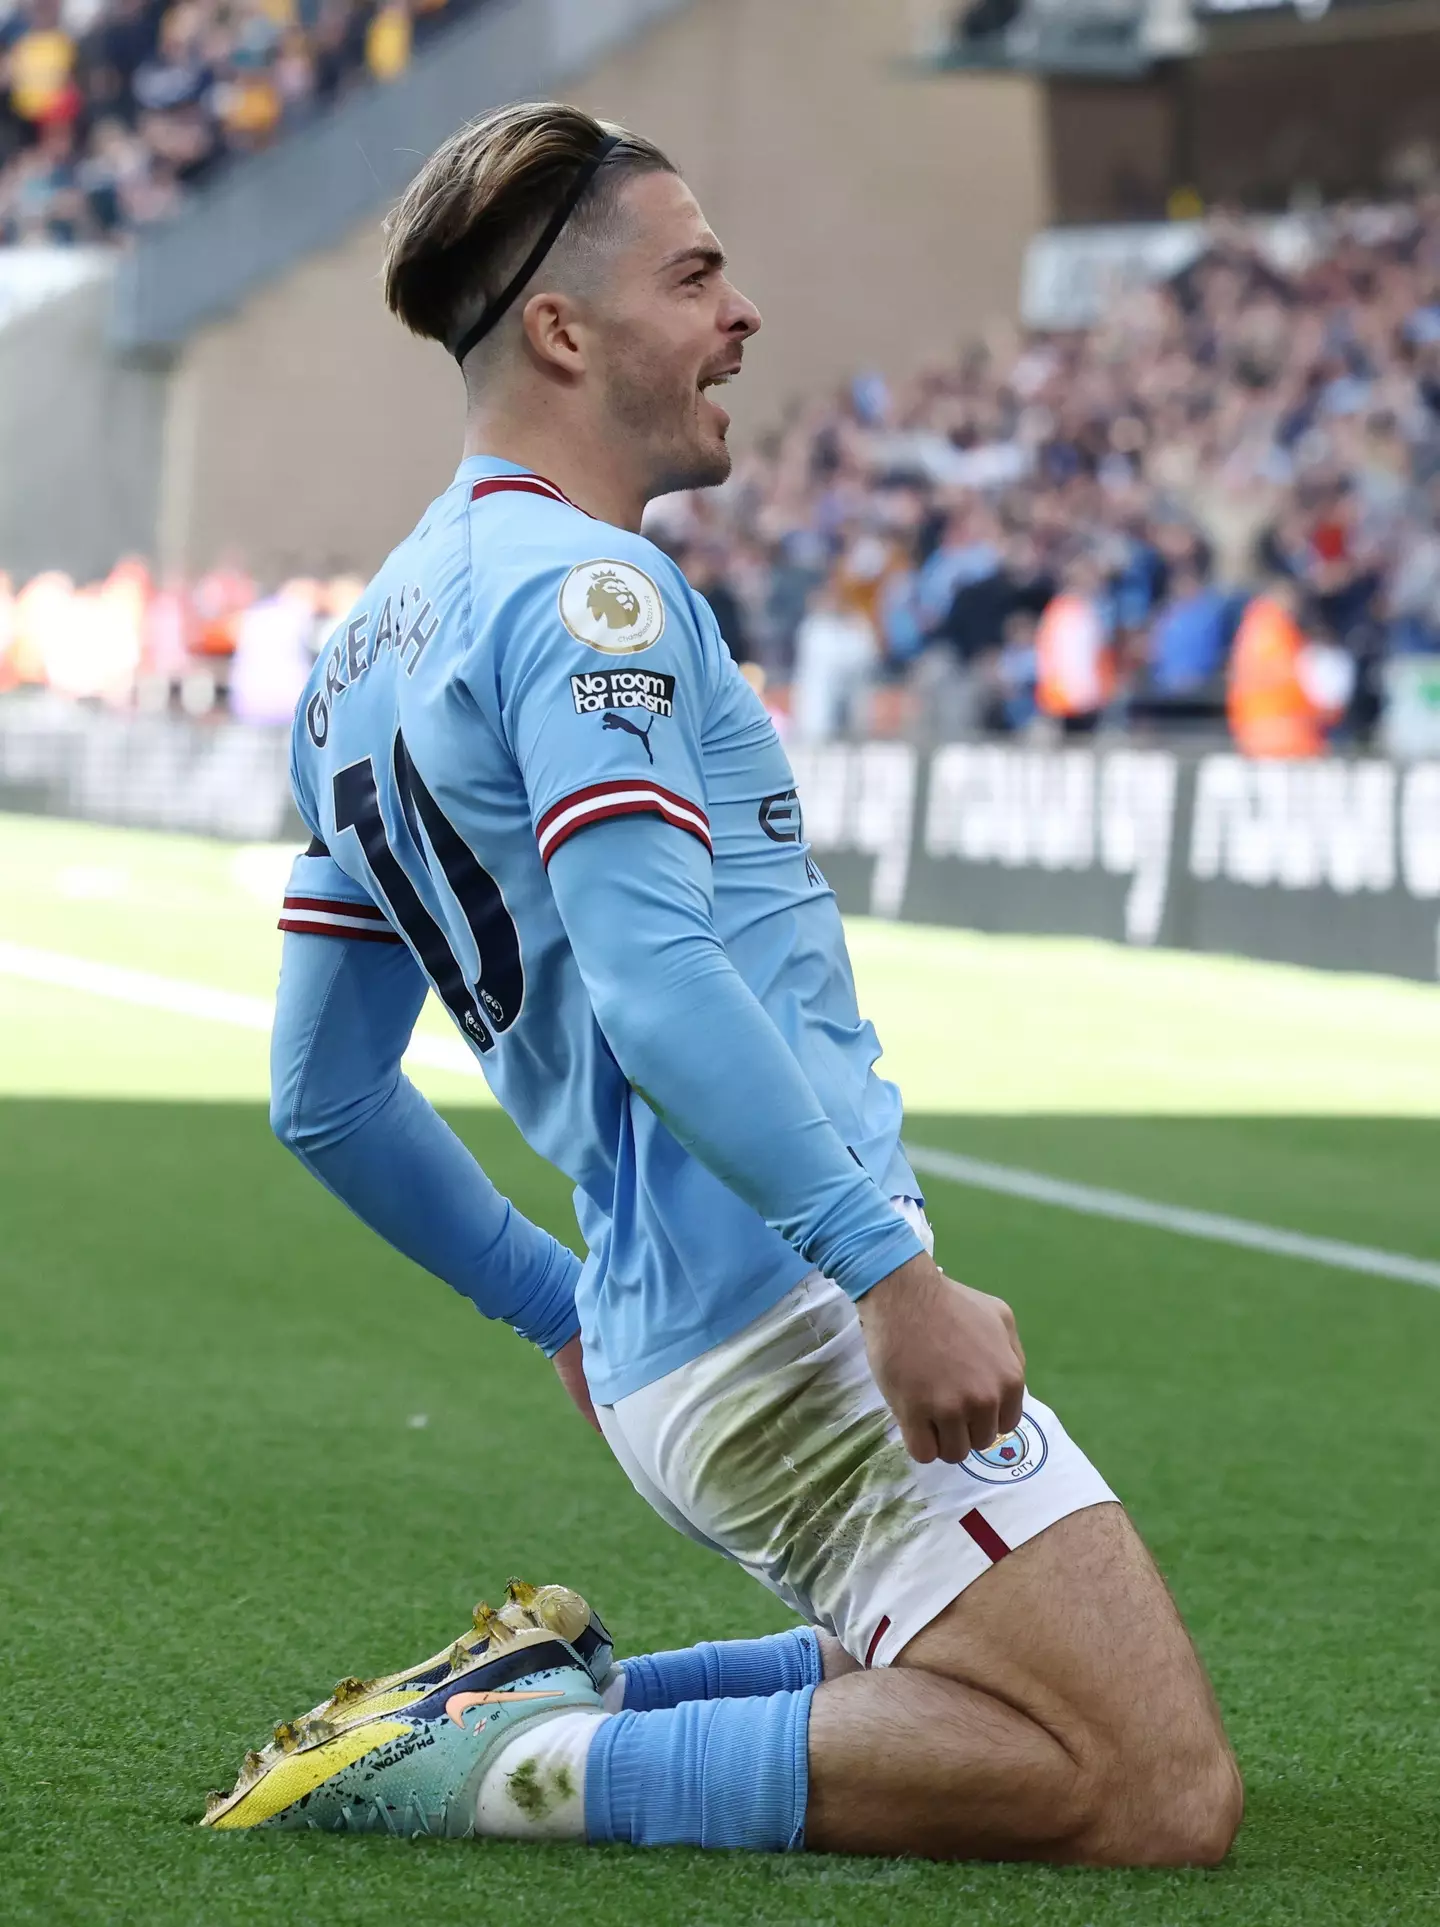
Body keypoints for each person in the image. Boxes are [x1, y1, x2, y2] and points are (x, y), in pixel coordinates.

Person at [205, 101, 1241, 1864]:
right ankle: (502, 1769)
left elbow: (326, 1094)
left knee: (924, 1663)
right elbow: (658, 975)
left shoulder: (353, 655)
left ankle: (518, 1706)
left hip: (675, 1331)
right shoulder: (587, 595)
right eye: (696, 274)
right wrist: (889, 1270)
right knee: (1150, 1786)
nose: (741, 314)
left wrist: (561, 1309)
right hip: (788, 1310)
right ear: (562, 330)